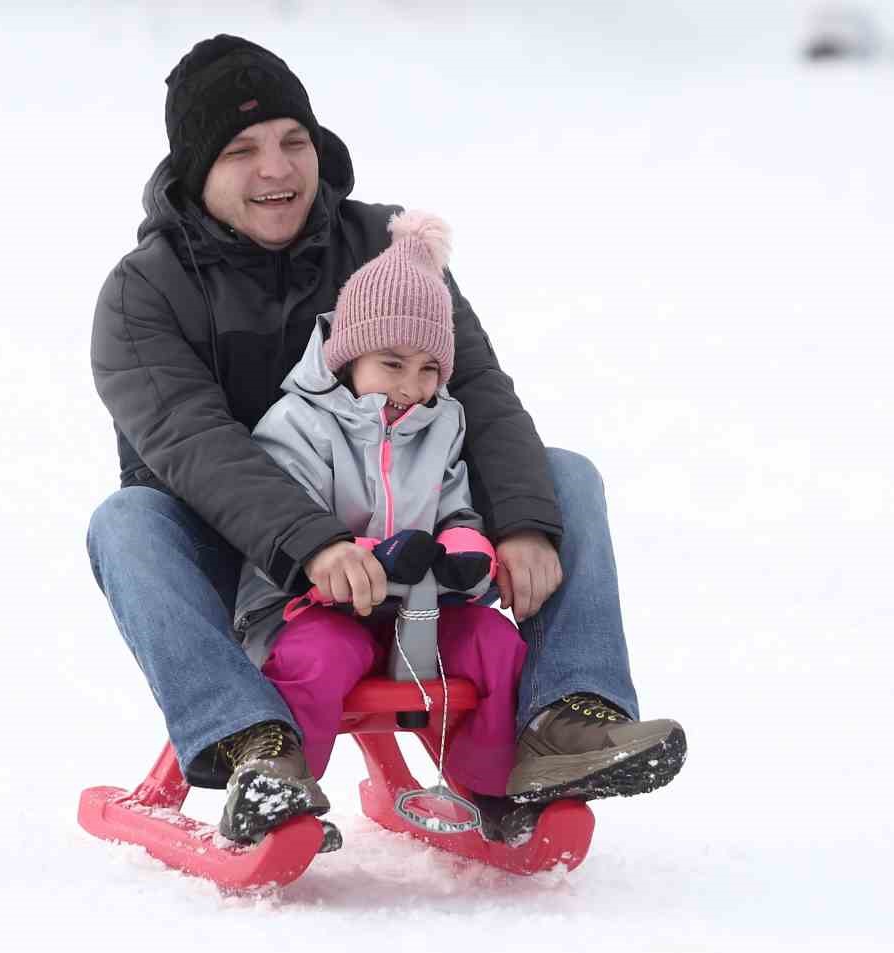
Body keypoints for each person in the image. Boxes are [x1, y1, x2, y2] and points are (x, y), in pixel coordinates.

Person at [86, 34, 684, 848]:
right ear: (198, 171)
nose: (278, 169)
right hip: (249, 568)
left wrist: (520, 525)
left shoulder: (386, 250)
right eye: (242, 150)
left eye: (294, 142)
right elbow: (194, 445)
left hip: (421, 542)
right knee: (127, 522)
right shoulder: (143, 293)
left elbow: (479, 391)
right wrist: (315, 544)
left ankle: (568, 719)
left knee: (562, 480)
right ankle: (260, 745)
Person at [224, 210, 528, 847]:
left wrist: (464, 553)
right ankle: (280, 791)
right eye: (392, 364)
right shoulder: (297, 424)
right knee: (317, 660)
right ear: (349, 354)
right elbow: (288, 521)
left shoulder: (443, 424)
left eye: (428, 371)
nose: (411, 387)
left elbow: (457, 508)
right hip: (311, 606)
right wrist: (370, 555)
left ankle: (495, 790)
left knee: (496, 645)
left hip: (418, 611)